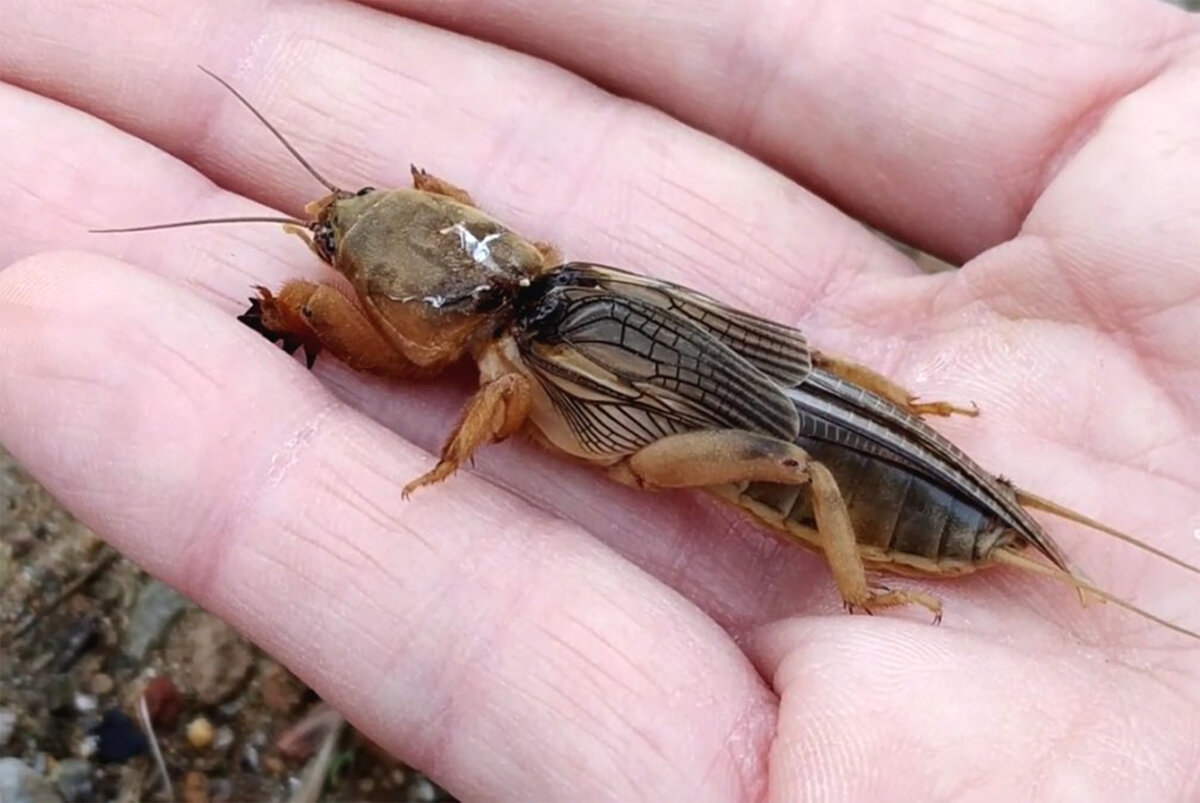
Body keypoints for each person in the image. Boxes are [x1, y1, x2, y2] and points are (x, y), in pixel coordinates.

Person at [1, 1, 1197, 799]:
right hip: (814, 388)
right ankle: (925, 452)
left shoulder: (508, 366)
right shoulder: (553, 275)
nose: (337, 249)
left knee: (811, 455)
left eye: (347, 244)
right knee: (812, 393)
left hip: (815, 444)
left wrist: (447, 460)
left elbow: (450, 384)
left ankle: (867, 570)